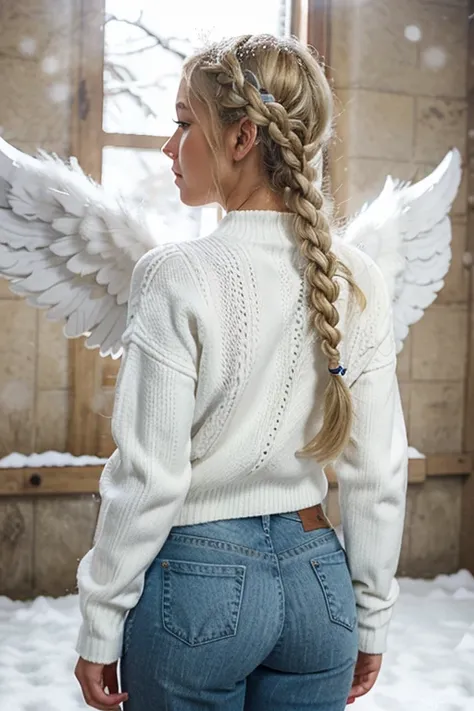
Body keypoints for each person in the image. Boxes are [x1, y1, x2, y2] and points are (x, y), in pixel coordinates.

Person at [74, 33, 408, 711]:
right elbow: (378, 470)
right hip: (321, 586)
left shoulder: (178, 275)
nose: (170, 147)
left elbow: (149, 473)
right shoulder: (357, 278)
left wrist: (101, 620)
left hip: (198, 589)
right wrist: (370, 613)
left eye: (183, 121)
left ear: (240, 138)